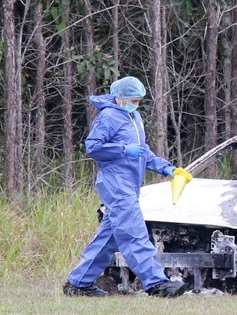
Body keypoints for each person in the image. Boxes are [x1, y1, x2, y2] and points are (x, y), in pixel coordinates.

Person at [64, 76, 187, 298]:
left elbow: (143, 153)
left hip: (129, 183)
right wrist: (122, 149)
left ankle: (79, 283)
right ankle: (157, 284)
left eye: (139, 101)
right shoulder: (108, 116)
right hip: (115, 183)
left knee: (109, 238)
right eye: (132, 100)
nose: (136, 104)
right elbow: (93, 147)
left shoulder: (134, 117)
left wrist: (166, 169)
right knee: (134, 233)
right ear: (119, 98)